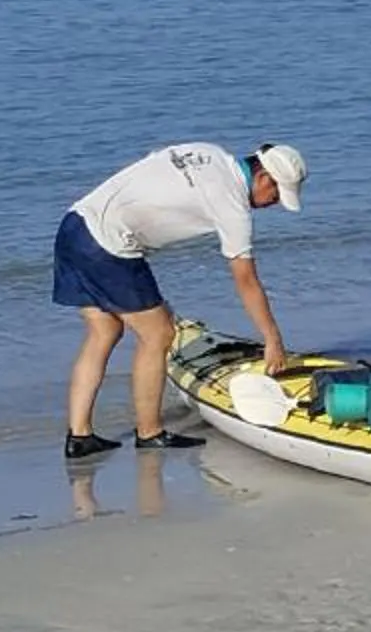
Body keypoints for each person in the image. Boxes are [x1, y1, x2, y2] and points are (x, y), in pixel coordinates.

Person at [55, 141, 308, 460]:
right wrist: (273, 339)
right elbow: (246, 280)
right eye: (276, 196)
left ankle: (79, 437)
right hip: (109, 246)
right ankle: (149, 433)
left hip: (75, 226)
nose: (273, 204)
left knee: (104, 331)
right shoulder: (232, 205)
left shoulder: (209, 152)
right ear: (264, 179)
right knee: (159, 334)